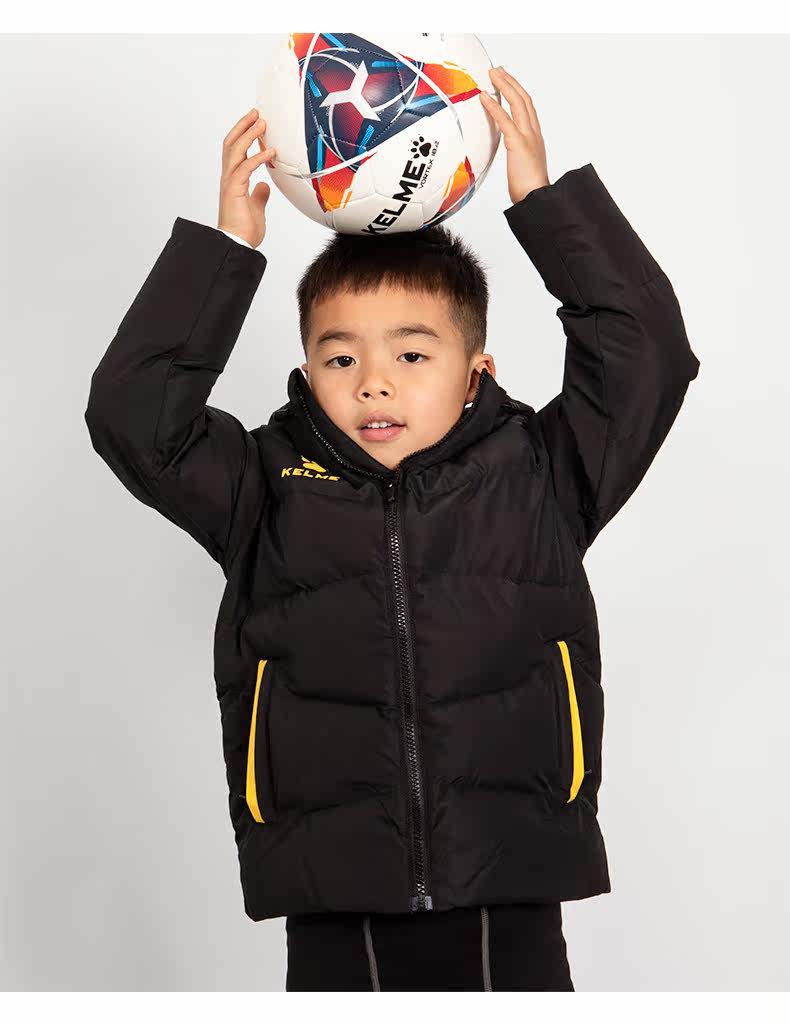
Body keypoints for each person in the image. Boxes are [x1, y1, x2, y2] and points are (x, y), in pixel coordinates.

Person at [84, 66, 700, 991]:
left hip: (510, 882)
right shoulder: (264, 485)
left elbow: (648, 353)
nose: (374, 380)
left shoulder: (541, 473)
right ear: (307, 369)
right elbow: (132, 416)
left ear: (477, 369)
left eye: (412, 353)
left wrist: (543, 204)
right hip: (334, 895)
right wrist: (226, 248)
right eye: (340, 358)